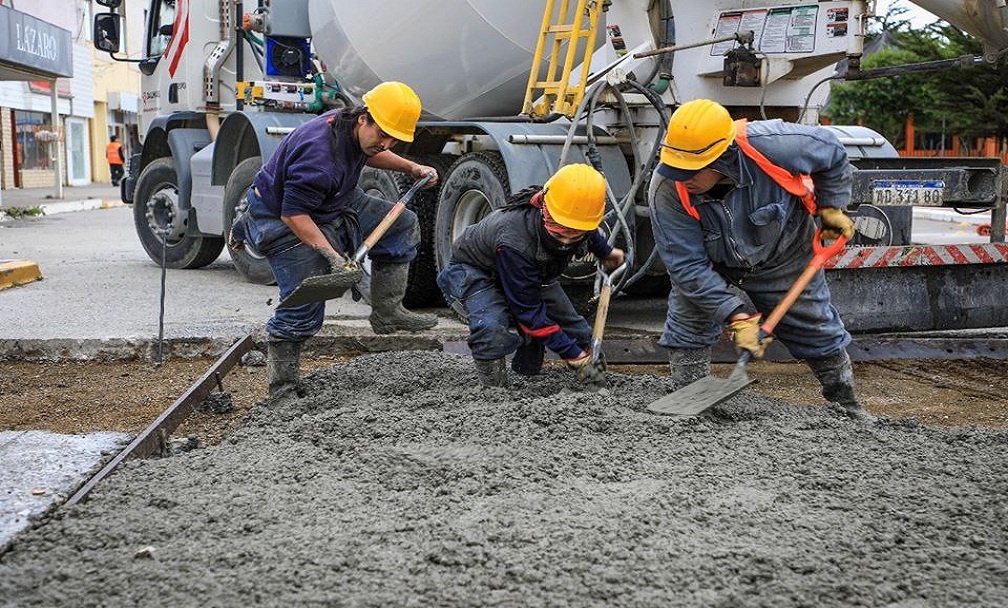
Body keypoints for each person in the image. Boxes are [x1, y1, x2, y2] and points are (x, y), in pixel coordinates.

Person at [648, 98, 872, 421]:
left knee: (817, 327)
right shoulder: (666, 190)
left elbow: (832, 154)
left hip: (784, 254)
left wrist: (832, 209)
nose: (681, 177)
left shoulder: (773, 145)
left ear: (721, 157)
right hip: (712, 265)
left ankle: (849, 408)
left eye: (690, 170)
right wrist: (737, 317)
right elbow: (687, 268)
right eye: (675, 168)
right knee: (687, 320)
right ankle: (690, 404)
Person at [235, 81, 439, 397]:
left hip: (335, 198)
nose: (385, 144)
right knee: (304, 303)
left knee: (401, 224)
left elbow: (370, 153)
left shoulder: (352, 129)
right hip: (280, 218)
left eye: (393, 140)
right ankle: (283, 390)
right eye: (382, 134)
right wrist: (332, 256)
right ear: (363, 118)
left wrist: (411, 167)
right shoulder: (318, 156)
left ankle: (386, 310)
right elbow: (294, 215)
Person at [437, 163, 626, 388]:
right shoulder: (514, 239)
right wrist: (572, 355)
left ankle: (594, 384)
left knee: (578, 331)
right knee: (490, 327)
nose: (565, 241)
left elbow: (587, 230)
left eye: (574, 233)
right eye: (558, 229)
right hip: (478, 270)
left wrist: (605, 252)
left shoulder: (574, 214)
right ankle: (493, 391)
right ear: (544, 207)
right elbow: (528, 312)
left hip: (534, 271)